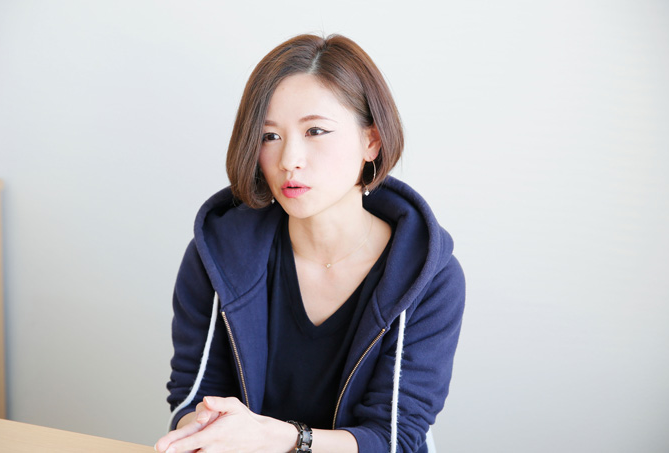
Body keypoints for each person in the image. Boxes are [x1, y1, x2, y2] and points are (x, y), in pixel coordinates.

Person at [155, 34, 465, 453]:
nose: (289, 160)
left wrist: (283, 439)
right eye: (269, 136)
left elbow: (394, 438)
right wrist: (206, 427)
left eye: (315, 131)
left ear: (371, 141)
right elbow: (193, 395)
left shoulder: (427, 275)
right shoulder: (218, 254)